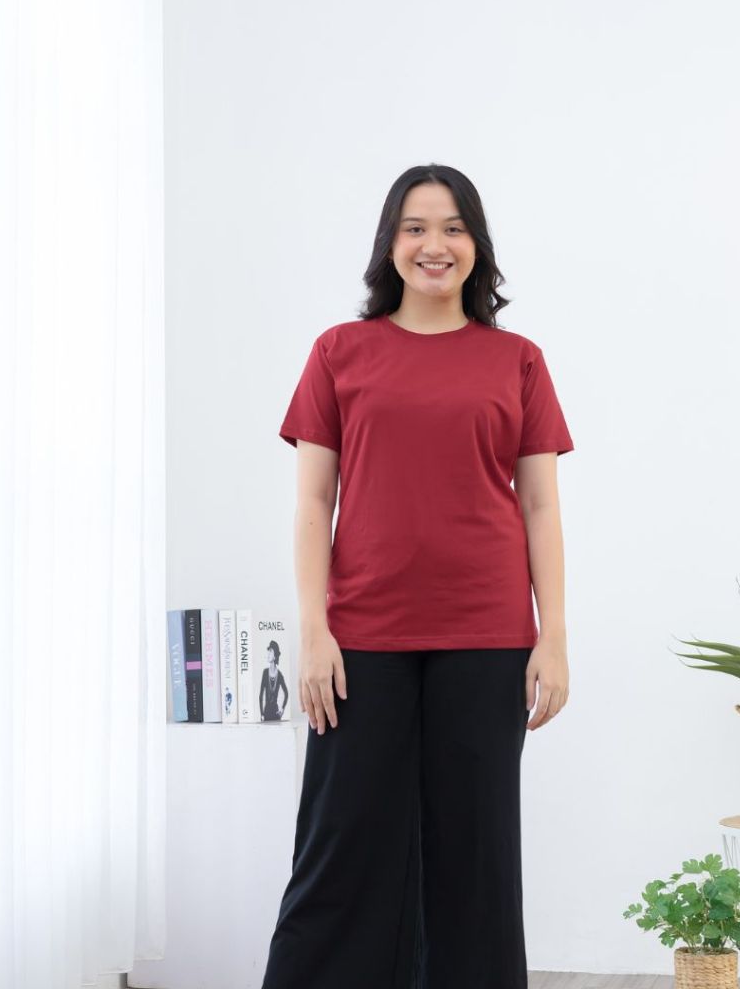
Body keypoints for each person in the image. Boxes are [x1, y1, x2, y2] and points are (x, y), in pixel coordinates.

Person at [262, 163, 574, 989]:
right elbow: (313, 502)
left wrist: (553, 638)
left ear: (477, 246)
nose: (435, 245)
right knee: (341, 848)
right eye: (415, 228)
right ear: (390, 244)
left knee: (475, 858)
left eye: (453, 228)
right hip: (362, 637)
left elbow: (540, 505)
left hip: (488, 636)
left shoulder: (518, 360)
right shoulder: (339, 352)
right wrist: (314, 631)